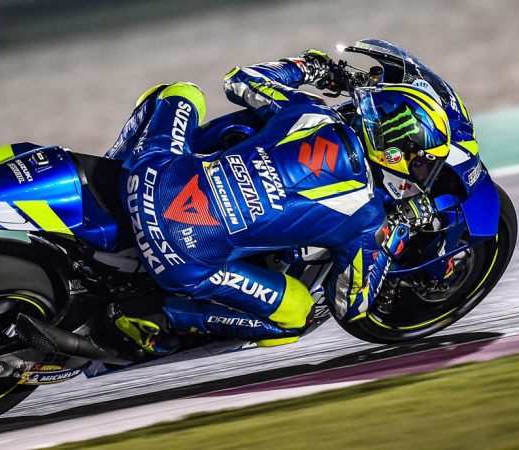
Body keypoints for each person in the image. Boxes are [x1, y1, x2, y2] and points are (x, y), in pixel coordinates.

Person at [105, 49, 463, 355]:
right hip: (178, 259)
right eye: (423, 163)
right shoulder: (368, 219)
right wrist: (397, 229)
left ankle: (106, 174)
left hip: (148, 175)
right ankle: (161, 317)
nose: (423, 174)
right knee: (299, 316)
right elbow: (352, 306)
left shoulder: (310, 111)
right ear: (395, 154)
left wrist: (310, 68)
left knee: (181, 92)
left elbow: (239, 80)